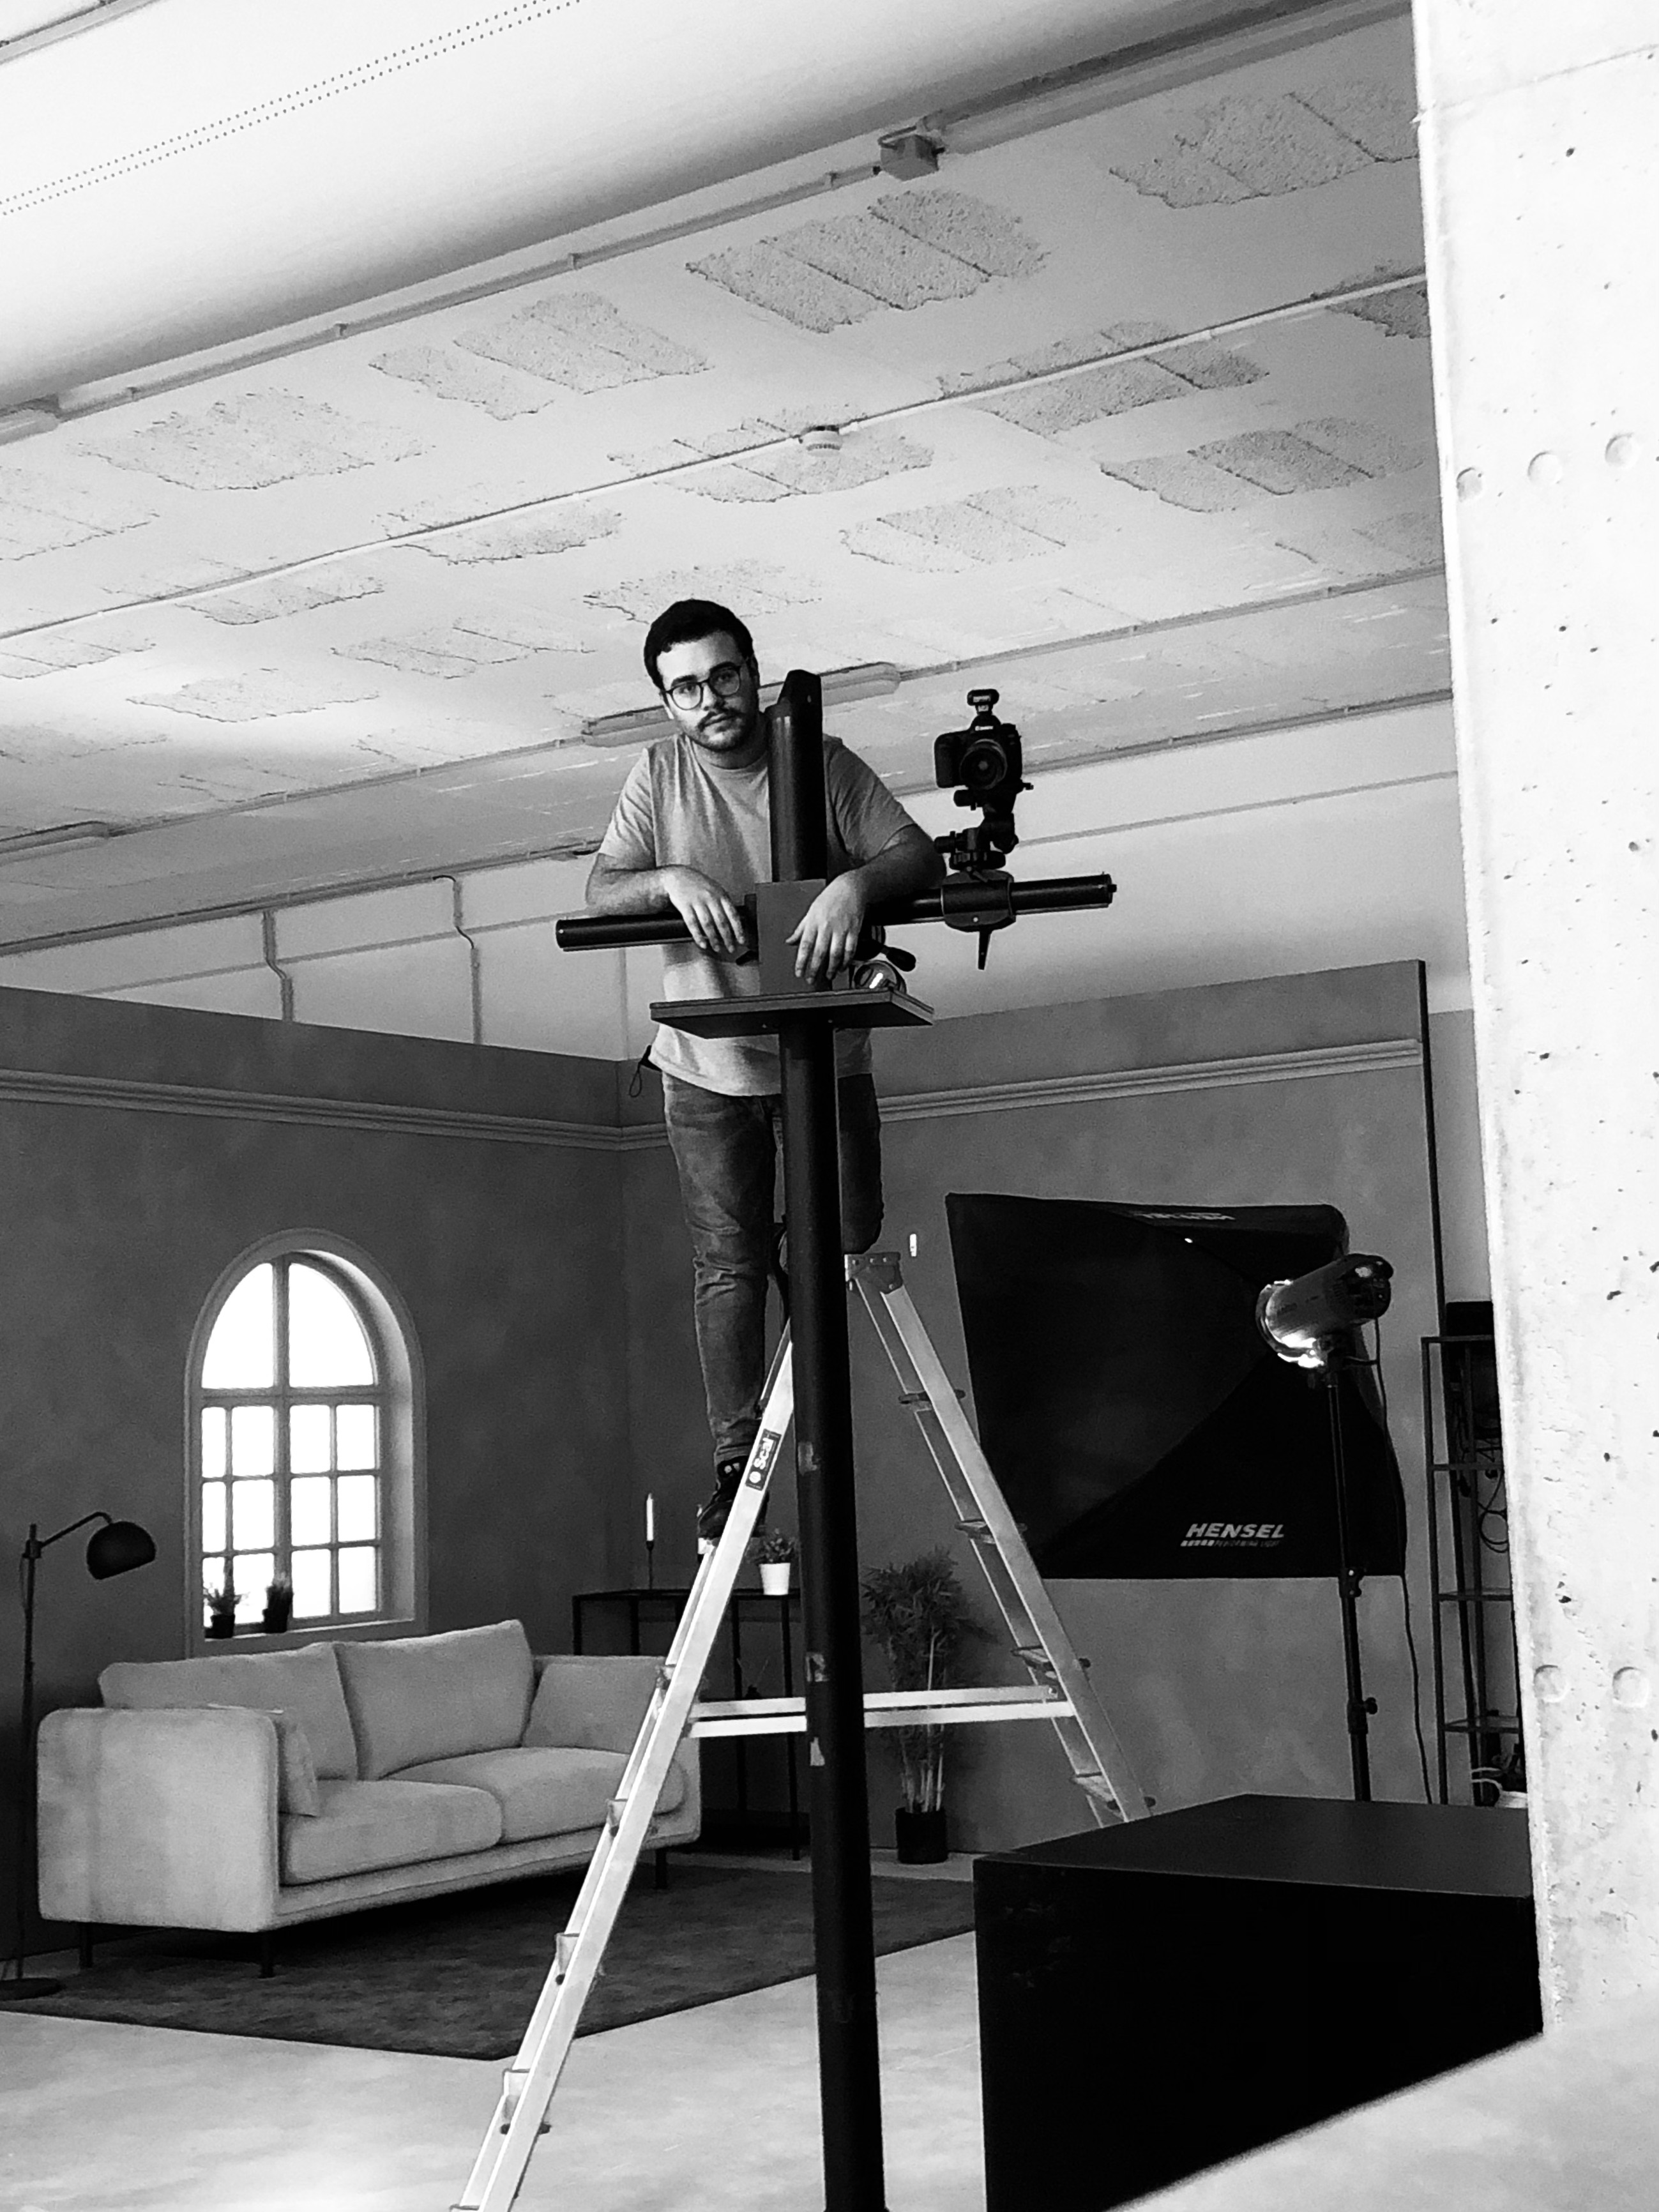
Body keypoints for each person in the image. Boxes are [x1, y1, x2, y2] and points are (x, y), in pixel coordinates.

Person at [586, 598, 945, 1541]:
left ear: (754, 671)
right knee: (726, 1265)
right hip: (705, 1069)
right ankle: (737, 1451)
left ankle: (808, 1403)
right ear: (667, 702)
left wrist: (854, 884)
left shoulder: (820, 762)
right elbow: (600, 889)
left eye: (725, 676)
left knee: (845, 1234)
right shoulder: (658, 776)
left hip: (824, 1057)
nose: (711, 700)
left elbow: (914, 851)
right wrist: (671, 881)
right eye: (687, 688)